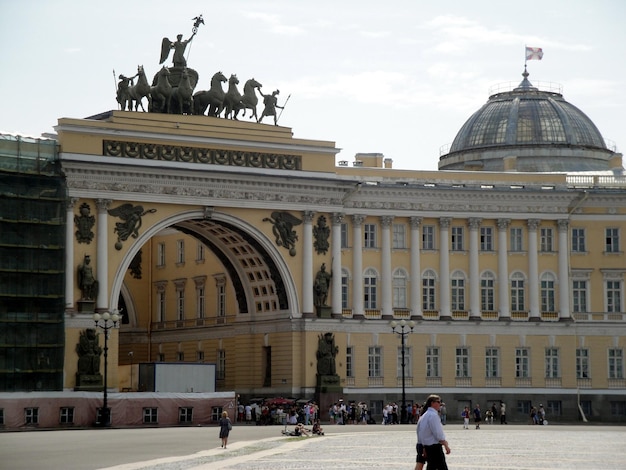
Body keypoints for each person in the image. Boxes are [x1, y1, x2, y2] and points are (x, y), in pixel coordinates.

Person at [417, 395, 450, 470]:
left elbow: (421, 433)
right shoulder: (433, 416)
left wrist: (424, 447)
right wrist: (445, 444)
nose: (440, 404)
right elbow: (438, 434)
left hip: (427, 447)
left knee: (431, 467)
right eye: (438, 402)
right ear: (432, 403)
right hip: (434, 447)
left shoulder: (424, 415)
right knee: (442, 467)